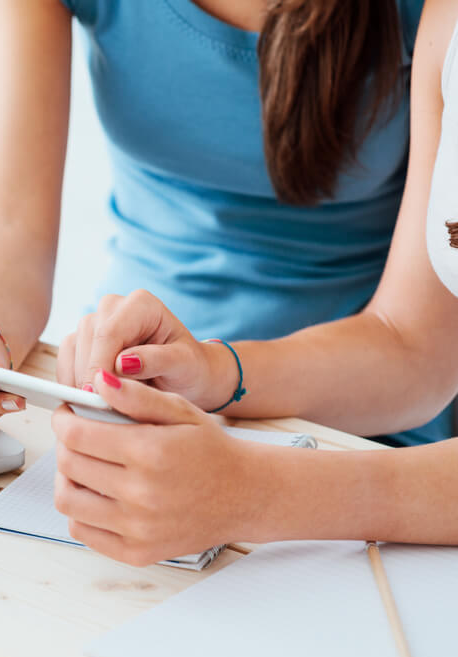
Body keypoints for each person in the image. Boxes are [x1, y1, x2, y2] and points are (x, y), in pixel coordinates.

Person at [0, 0, 450, 448]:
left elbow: (416, 352)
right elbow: (8, 227)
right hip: (124, 402)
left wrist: (214, 376)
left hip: (360, 422)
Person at [50, 0, 458, 566]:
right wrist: (213, 374)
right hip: (158, 420)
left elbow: (415, 350)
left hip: (353, 436)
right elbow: (3, 229)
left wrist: (258, 491)